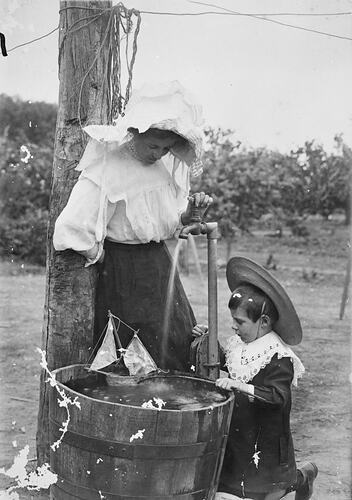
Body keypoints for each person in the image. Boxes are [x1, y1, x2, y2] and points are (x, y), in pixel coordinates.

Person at [53, 81, 213, 372]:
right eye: (153, 145)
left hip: (160, 267)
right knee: (131, 353)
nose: (158, 154)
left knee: (172, 342)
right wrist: (100, 255)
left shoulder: (162, 170)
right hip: (123, 272)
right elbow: (72, 226)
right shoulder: (108, 166)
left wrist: (189, 215)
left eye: (165, 149)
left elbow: (166, 223)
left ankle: (169, 412)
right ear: (134, 132)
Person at [193, 257, 318, 500]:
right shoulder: (241, 344)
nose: (233, 327)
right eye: (233, 320)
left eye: (239, 322)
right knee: (235, 486)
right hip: (241, 434)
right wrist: (208, 339)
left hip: (267, 441)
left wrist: (240, 386)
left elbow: (277, 397)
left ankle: (304, 475)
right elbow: (228, 362)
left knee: (267, 490)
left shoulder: (277, 357)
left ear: (263, 322)